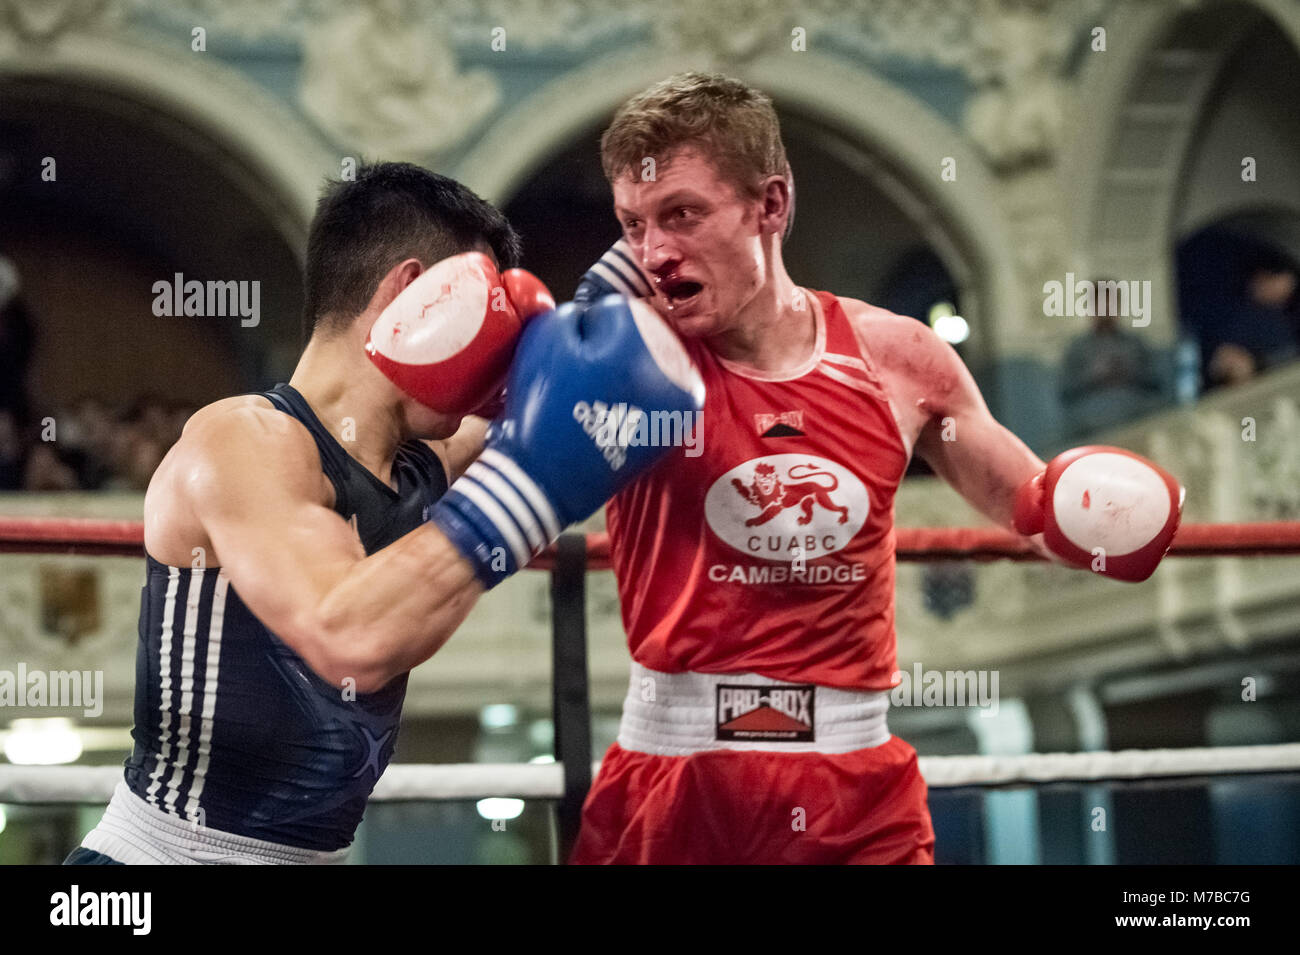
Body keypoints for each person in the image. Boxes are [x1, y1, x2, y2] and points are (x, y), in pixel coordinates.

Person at [569, 73, 1183, 864]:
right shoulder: (620, 359)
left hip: (853, 789)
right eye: (634, 224)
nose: (654, 252)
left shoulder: (898, 360)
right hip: (674, 773)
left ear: (771, 206)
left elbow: (1032, 506)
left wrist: (1109, 515)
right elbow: (481, 462)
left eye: (682, 214)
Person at [67, 161, 703, 864]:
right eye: (490, 312)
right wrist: (531, 485)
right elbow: (349, 633)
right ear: (412, 293)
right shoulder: (246, 439)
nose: (500, 354)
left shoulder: (418, 457)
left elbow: (573, 386)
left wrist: (648, 265)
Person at [1059, 278, 1163, 438]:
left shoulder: (1136, 344)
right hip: (1091, 429)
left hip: (1137, 424)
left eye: (1110, 303)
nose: (1106, 309)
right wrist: (1094, 375)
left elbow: (1156, 384)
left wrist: (1128, 373)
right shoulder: (1077, 348)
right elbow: (1065, 392)